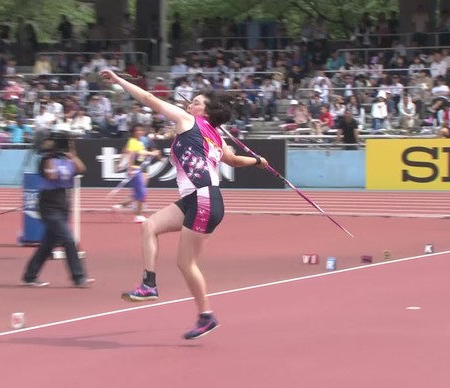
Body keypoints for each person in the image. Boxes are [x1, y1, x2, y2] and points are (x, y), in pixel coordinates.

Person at [100, 69, 270, 340]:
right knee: (149, 226)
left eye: (197, 102)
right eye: (191, 101)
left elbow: (147, 97)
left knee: (186, 263)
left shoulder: (189, 121)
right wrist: (258, 162)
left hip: (204, 198)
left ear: (206, 110)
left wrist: (119, 81)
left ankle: (206, 316)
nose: (191, 104)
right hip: (195, 199)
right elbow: (234, 161)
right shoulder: (215, 136)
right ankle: (149, 284)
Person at [21, 130, 95, 288]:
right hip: (49, 208)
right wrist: (49, 154)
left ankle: (30, 275)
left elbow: (82, 169)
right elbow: (52, 176)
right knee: (68, 239)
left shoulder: (65, 160)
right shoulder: (45, 160)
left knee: (48, 244)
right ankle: (78, 277)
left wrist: (72, 155)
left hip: (62, 208)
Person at [112, 124, 160, 223]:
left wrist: (152, 154)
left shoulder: (139, 142)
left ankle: (122, 206)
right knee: (142, 193)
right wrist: (129, 168)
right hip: (135, 169)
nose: (139, 132)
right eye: (137, 131)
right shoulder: (133, 141)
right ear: (133, 132)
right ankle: (138, 215)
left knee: (139, 193)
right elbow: (131, 155)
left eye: (140, 130)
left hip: (139, 168)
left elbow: (141, 152)